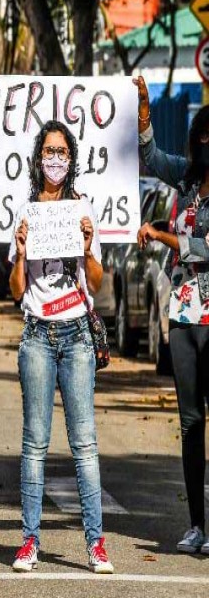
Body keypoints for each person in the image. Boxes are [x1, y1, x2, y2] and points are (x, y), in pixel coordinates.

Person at [8, 121, 112, 575]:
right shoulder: (26, 211)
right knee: (34, 443)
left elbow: (98, 282)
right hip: (36, 335)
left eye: (62, 152)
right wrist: (20, 247)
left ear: (71, 161)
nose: (54, 159)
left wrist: (87, 247)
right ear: (38, 158)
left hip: (77, 337)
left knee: (84, 444)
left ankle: (96, 543)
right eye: (48, 151)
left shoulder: (82, 209)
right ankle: (29, 540)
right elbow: (14, 289)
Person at [134, 78, 209, 555]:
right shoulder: (185, 180)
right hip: (183, 312)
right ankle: (196, 525)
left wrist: (162, 236)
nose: (204, 144)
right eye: (199, 136)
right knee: (189, 421)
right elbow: (151, 159)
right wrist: (143, 111)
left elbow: (204, 247)